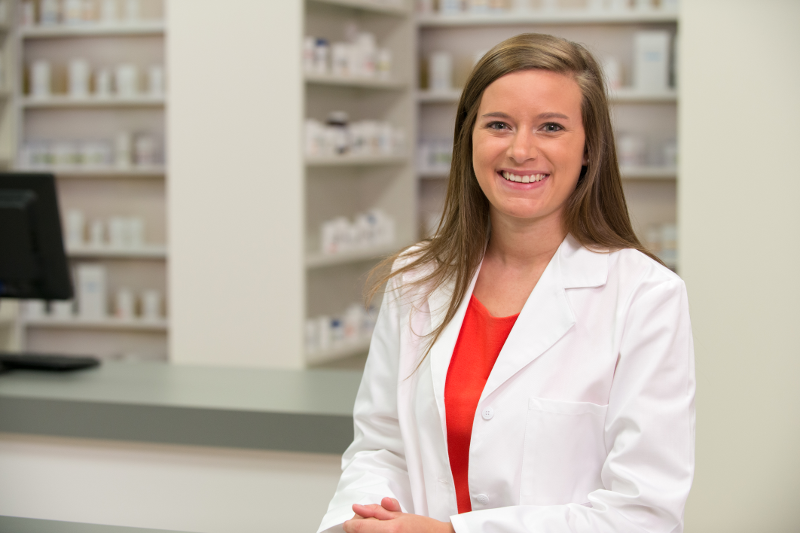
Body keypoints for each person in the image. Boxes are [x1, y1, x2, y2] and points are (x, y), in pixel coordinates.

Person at [317, 33, 695, 533]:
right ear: (468, 139)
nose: (521, 150)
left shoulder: (646, 296)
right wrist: (362, 521)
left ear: (589, 149)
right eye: (499, 125)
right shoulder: (415, 279)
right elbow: (382, 446)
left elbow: (644, 512)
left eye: (551, 127)